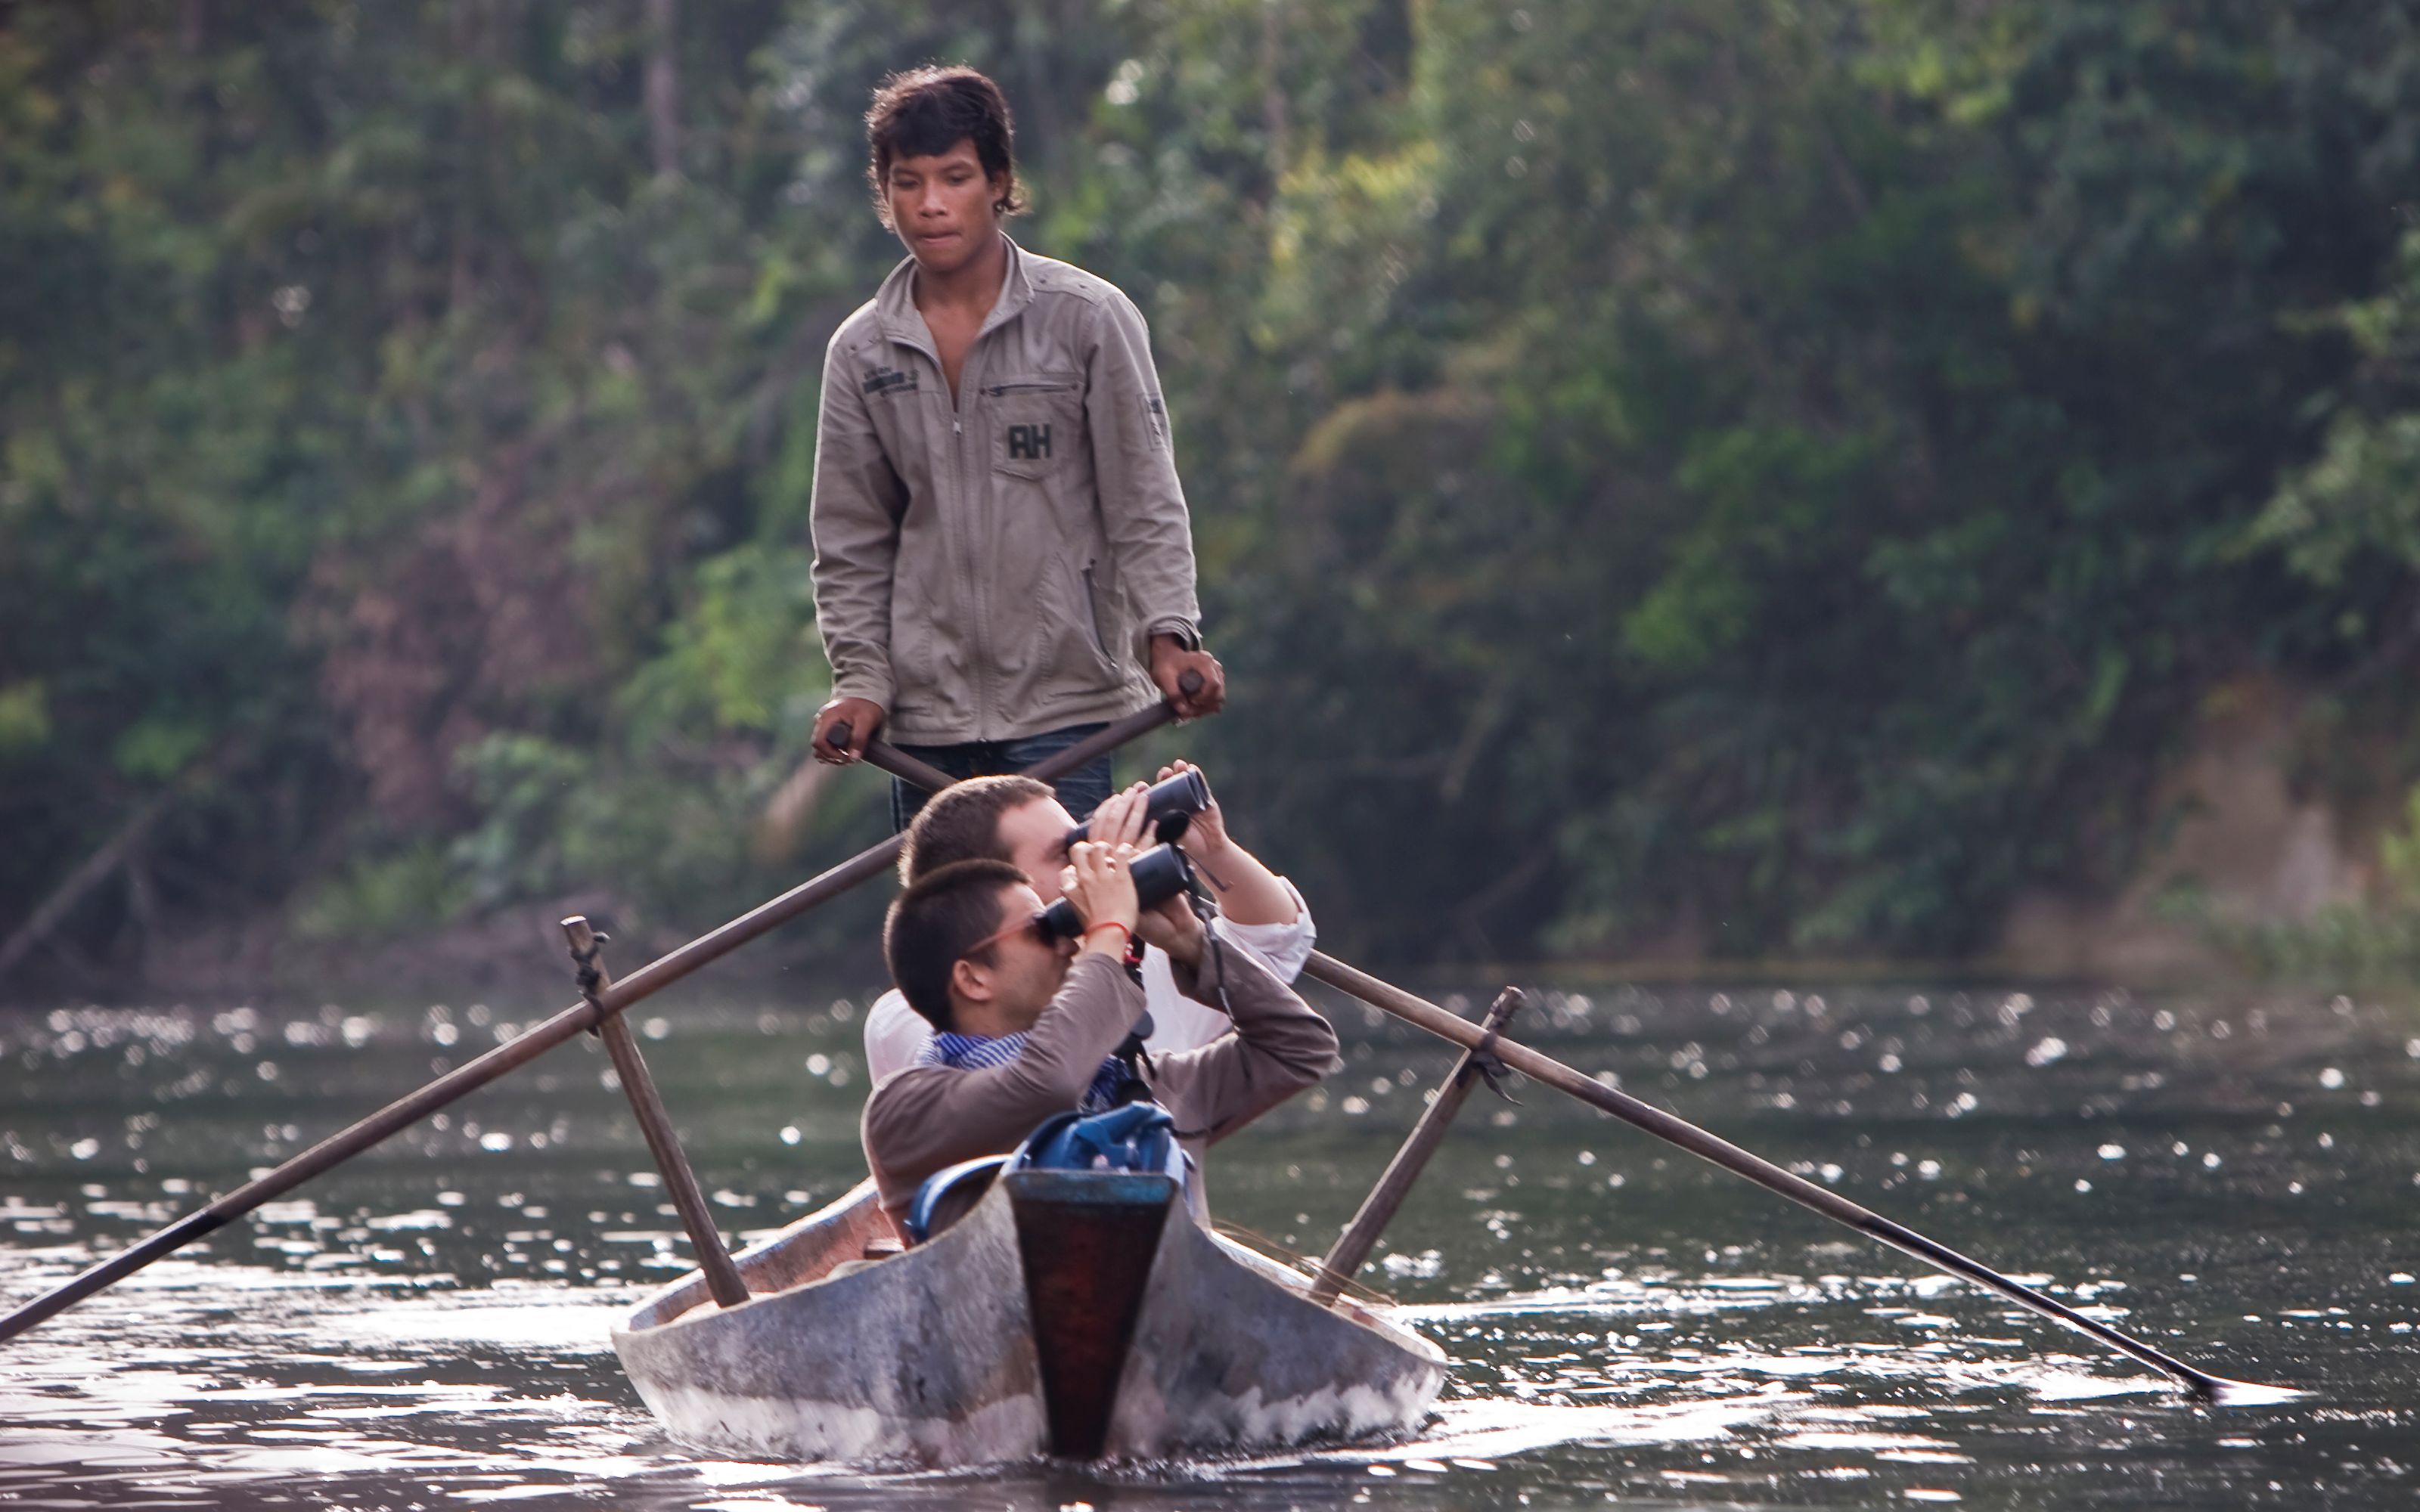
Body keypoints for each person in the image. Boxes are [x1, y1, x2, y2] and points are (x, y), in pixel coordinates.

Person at [806, 64, 1225, 830]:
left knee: (1058, 929)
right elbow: (850, 540)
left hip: (1063, 703)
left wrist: (1168, 637)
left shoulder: (1087, 321)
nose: (930, 204)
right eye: (908, 182)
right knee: (953, 943)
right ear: (884, 191)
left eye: (955, 177)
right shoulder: (861, 352)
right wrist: (859, 682)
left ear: (998, 182)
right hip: (923, 728)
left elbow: (1143, 501)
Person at [861, 842, 1338, 1225]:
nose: (1068, 940)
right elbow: (1046, 1083)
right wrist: (1110, 930)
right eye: (1041, 930)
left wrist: (1191, 943)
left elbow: (1300, 1049)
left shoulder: (1142, 1090)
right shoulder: (905, 1108)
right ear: (972, 978)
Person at [861, 762, 1314, 1080]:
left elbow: (1276, 944)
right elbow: (1047, 1078)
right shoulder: (907, 1019)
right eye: (1067, 854)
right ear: (988, 887)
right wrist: (1109, 927)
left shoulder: (1144, 962)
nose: (1091, 857)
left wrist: (1213, 853)